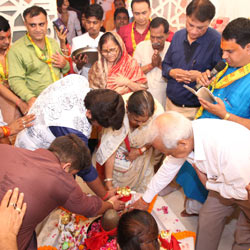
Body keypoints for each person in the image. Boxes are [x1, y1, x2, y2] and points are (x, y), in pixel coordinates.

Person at [132, 111, 250, 250]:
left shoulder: (230, 152)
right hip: (220, 182)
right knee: (208, 218)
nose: (168, 156)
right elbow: (168, 168)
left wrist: (209, 184)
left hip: (244, 187)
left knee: (245, 231)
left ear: (182, 144)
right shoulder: (185, 134)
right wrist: (146, 199)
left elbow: (240, 191)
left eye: (169, 153)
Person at [176, 17, 250, 216]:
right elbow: (218, 90)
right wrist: (205, 83)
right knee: (193, 176)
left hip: (228, 150)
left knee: (216, 194)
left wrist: (224, 115)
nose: (223, 56)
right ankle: (193, 207)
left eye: (230, 51)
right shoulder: (226, 65)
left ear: (249, 48)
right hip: (204, 134)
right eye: (222, 50)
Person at [0, 134, 125, 250]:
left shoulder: (6, 149)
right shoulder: (61, 178)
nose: (71, 179)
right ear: (66, 167)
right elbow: (89, 207)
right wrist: (110, 204)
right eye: (73, 174)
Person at [15, 74, 125, 200]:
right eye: (100, 125)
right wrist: (105, 195)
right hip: (31, 151)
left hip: (35, 127)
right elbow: (85, 169)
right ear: (89, 114)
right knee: (34, 195)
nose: (99, 129)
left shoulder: (79, 80)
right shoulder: (75, 129)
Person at [162, 0, 221, 119]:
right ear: (186, 17)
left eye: (200, 28)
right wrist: (172, 72)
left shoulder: (216, 40)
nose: (193, 31)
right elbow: (165, 64)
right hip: (170, 105)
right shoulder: (178, 36)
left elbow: (221, 72)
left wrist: (202, 76)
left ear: (209, 22)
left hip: (196, 110)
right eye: (190, 25)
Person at [96, 90, 164, 192]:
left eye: (144, 121)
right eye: (136, 120)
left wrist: (140, 150)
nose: (140, 124)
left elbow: (155, 138)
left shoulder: (158, 115)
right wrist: (109, 181)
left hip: (143, 156)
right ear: (127, 108)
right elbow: (111, 149)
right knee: (118, 189)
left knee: (141, 187)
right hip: (119, 155)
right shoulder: (116, 113)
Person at [7, 6, 69, 109]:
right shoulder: (16, 50)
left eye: (41, 24)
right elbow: (15, 80)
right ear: (26, 25)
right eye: (33, 25)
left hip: (58, 99)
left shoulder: (53, 43)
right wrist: (30, 98)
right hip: (36, 103)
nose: (38, 29)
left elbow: (65, 69)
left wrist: (64, 64)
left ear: (46, 24)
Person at [134, 17, 170, 107]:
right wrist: (152, 65)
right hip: (143, 101)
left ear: (167, 35)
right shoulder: (141, 47)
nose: (155, 41)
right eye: (152, 37)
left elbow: (175, 76)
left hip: (164, 102)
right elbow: (133, 73)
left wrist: (160, 65)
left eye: (159, 38)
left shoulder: (172, 49)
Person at [0, 16, 28, 123]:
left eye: (9, 37)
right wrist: (19, 102)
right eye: (1, 38)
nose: (7, 42)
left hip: (19, 95)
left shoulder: (15, 51)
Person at [71, 4, 104, 78]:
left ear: (101, 23)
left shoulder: (108, 39)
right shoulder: (77, 41)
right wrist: (79, 65)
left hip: (106, 82)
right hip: (86, 83)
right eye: (88, 22)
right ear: (85, 22)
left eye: (95, 22)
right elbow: (75, 69)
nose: (91, 26)